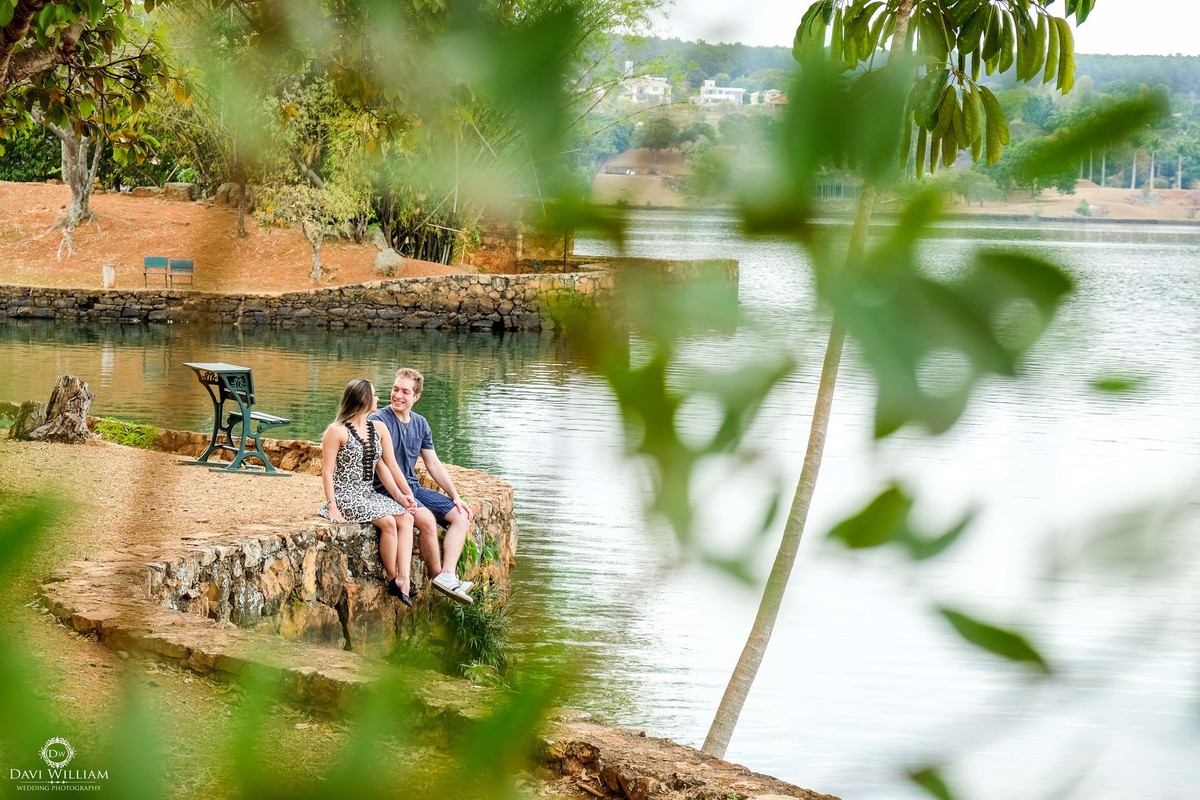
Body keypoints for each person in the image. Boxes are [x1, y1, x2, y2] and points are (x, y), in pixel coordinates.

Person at [371, 367, 475, 605]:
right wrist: (403, 495)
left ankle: (448, 575)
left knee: (461, 516)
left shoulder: (421, 423)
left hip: (413, 487)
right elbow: (382, 466)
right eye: (395, 389)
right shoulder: (378, 420)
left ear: (416, 397)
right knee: (426, 519)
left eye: (405, 392)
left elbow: (433, 463)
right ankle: (439, 577)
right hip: (386, 489)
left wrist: (455, 496)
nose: (398, 395)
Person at [318, 378, 420, 607]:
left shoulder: (379, 428)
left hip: (367, 494)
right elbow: (327, 472)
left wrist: (404, 496)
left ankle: (404, 578)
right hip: (345, 495)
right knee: (389, 523)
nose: (378, 398)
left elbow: (390, 466)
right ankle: (393, 578)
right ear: (364, 399)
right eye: (374, 395)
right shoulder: (336, 431)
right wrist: (332, 506)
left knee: (406, 518)